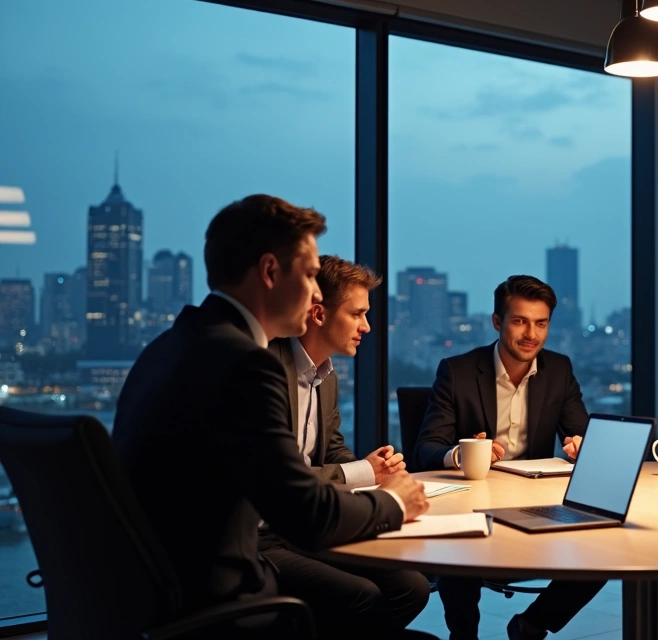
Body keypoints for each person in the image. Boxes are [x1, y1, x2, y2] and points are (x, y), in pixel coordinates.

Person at [112, 195, 430, 633]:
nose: (318, 293)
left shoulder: (172, 345)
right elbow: (305, 515)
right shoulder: (246, 363)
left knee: (403, 588)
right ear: (269, 272)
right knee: (374, 604)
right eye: (312, 275)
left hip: (152, 590)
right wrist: (395, 500)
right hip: (220, 593)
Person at [414, 275, 603, 640]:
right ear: (497, 322)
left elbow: (581, 434)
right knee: (460, 547)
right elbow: (426, 448)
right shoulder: (458, 371)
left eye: (541, 323)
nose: (531, 333)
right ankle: (464, 636)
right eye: (519, 321)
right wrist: (463, 454)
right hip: (472, 505)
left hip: (536, 506)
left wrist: (582, 447)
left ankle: (533, 623)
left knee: (604, 548)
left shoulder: (558, 370)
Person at [261, 255, 430, 636]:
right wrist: (363, 472)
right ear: (319, 314)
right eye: (357, 314)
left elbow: (333, 448)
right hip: (264, 534)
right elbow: (283, 479)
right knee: (361, 596)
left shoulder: (326, 375)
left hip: (307, 522)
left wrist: (374, 469)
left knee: (413, 587)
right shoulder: (269, 369)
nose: (367, 327)